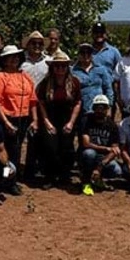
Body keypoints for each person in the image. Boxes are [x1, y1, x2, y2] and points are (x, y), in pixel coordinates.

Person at [0, 45, 37, 194]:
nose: (15, 59)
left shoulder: (25, 77)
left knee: (16, 151)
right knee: (5, 152)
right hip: (6, 119)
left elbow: (33, 100)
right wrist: (6, 122)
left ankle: (11, 181)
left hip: (23, 119)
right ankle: (5, 180)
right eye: (11, 56)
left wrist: (35, 119)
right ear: (4, 60)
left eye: (17, 56)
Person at [36, 51, 82, 188]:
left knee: (67, 148)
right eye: (57, 66)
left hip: (68, 119)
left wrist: (71, 122)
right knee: (51, 147)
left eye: (63, 66)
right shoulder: (45, 83)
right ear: (52, 67)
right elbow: (41, 103)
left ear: (67, 67)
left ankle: (64, 176)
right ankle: (50, 176)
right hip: (50, 119)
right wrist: (46, 122)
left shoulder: (74, 82)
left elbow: (78, 103)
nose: (60, 69)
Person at [79, 95, 122, 195]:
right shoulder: (86, 120)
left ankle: (97, 179)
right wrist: (106, 148)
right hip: (87, 155)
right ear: (93, 108)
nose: (100, 110)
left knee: (117, 171)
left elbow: (115, 149)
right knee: (89, 153)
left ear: (107, 109)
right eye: (98, 107)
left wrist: (100, 167)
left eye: (103, 107)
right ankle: (86, 182)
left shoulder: (112, 125)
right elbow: (86, 144)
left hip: (102, 158)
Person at [71, 42, 114, 133]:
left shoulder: (101, 69)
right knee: (84, 138)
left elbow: (108, 89)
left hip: (100, 110)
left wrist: (109, 107)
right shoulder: (73, 71)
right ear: (79, 54)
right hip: (83, 111)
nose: (86, 55)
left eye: (88, 53)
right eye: (83, 53)